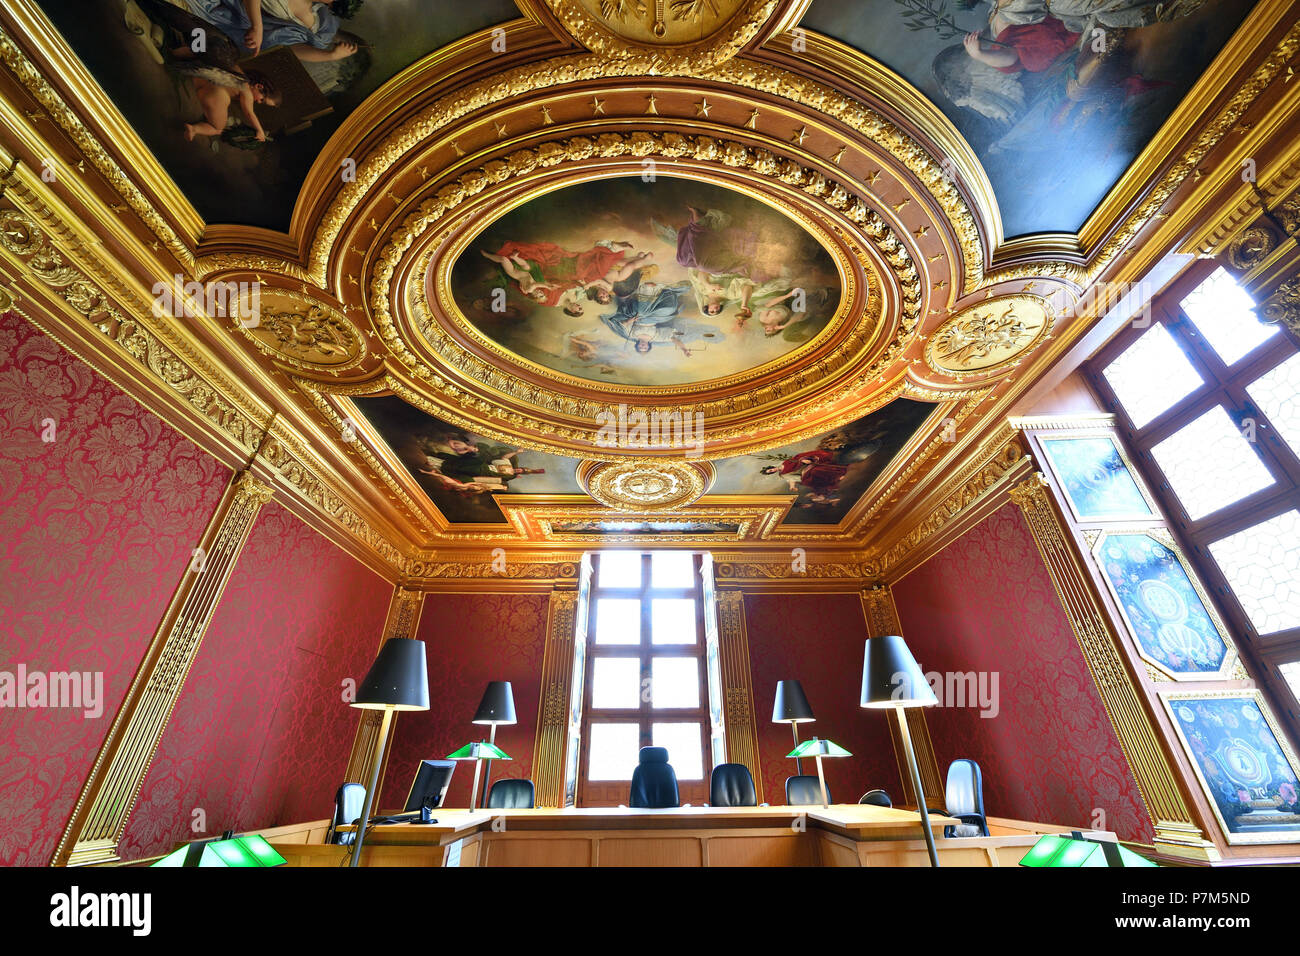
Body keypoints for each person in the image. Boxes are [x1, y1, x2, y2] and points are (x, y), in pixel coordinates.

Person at [760, 448, 848, 504]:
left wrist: (804, 460)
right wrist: (792, 486)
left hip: (808, 465)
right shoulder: (782, 475)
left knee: (816, 470)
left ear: (772, 467)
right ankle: (835, 480)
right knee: (811, 477)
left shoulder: (785, 462)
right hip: (804, 473)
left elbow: (798, 458)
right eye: (771, 472)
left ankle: (838, 474)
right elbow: (791, 479)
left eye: (771, 469)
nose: (772, 471)